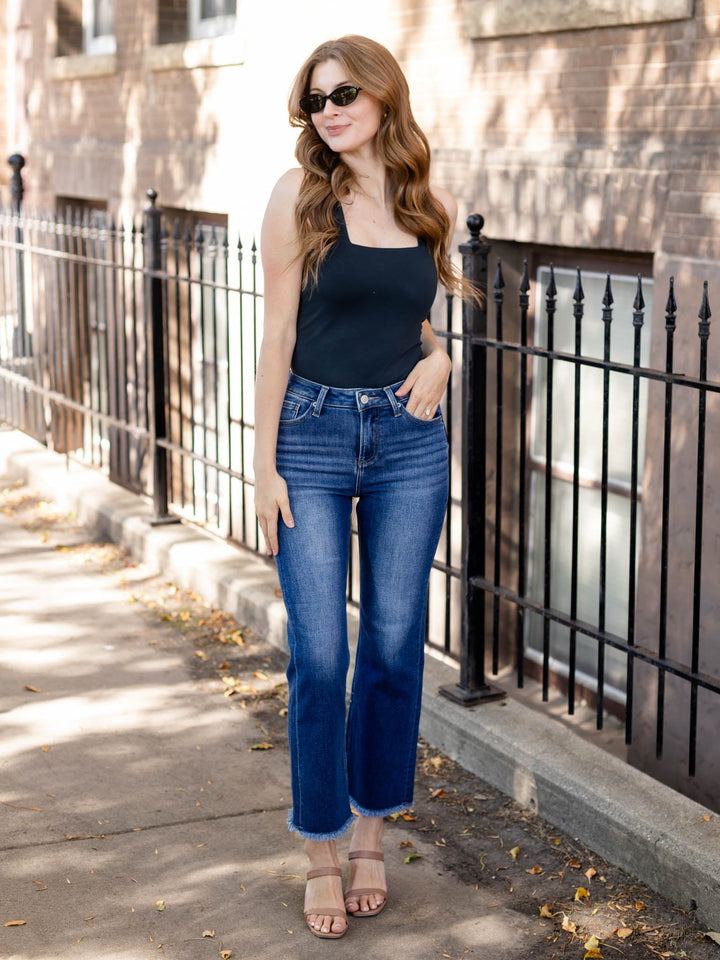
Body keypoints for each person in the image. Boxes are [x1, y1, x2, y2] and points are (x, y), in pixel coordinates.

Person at [254, 34, 475, 940]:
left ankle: (373, 835)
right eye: (315, 99)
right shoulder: (299, 198)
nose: (329, 109)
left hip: (407, 439)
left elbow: (415, 320)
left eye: (345, 92)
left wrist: (446, 360)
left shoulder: (427, 202)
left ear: (384, 95)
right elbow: (277, 337)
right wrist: (260, 463)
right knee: (319, 657)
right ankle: (320, 850)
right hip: (307, 435)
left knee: (392, 643)